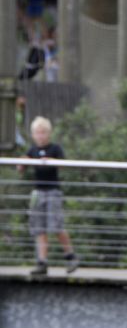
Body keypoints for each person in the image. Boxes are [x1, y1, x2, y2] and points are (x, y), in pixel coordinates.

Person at [17, 116, 79, 275]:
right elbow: (20, 169)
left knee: (56, 225)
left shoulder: (55, 148)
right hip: (38, 192)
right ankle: (42, 262)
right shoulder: (32, 150)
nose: (40, 135)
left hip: (53, 191)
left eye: (43, 132)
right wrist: (22, 162)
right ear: (33, 134)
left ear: (49, 133)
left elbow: (64, 165)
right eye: (37, 133)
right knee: (39, 228)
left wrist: (50, 160)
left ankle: (70, 256)